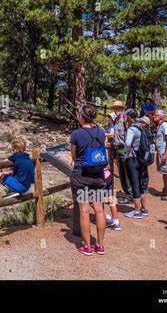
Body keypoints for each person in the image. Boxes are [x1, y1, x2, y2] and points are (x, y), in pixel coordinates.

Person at [69, 104, 107, 256]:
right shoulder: (101, 131)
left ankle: (87, 246)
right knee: (99, 209)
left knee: (84, 209)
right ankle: (100, 245)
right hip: (98, 175)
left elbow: (73, 156)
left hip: (82, 176)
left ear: (82, 117)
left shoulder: (77, 134)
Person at [124, 109, 150, 218]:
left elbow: (128, 143)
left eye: (125, 116)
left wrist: (126, 150)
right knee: (140, 184)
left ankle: (137, 211)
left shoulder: (131, 129)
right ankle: (144, 209)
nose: (124, 118)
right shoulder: (140, 127)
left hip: (132, 158)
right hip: (141, 159)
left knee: (134, 183)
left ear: (129, 117)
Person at [111, 101, 133, 204]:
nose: (116, 110)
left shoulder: (125, 119)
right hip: (117, 149)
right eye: (115, 108)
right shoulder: (116, 120)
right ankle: (127, 193)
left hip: (124, 148)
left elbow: (129, 134)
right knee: (121, 173)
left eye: (118, 108)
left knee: (126, 172)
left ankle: (130, 195)